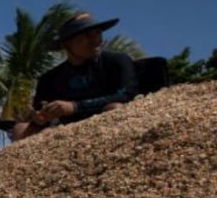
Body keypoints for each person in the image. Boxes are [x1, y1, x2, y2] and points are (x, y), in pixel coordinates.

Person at [8, 12, 138, 142]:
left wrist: (74, 107)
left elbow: (126, 94)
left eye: (98, 33)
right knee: (20, 129)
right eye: (87, 35)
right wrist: (39, 116)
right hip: (65, 131)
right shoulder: (49, 79)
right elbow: (39, 110)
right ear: (67, 44)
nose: (95, 40)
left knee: (115, 109)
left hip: (105, 126)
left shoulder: (117, 61)